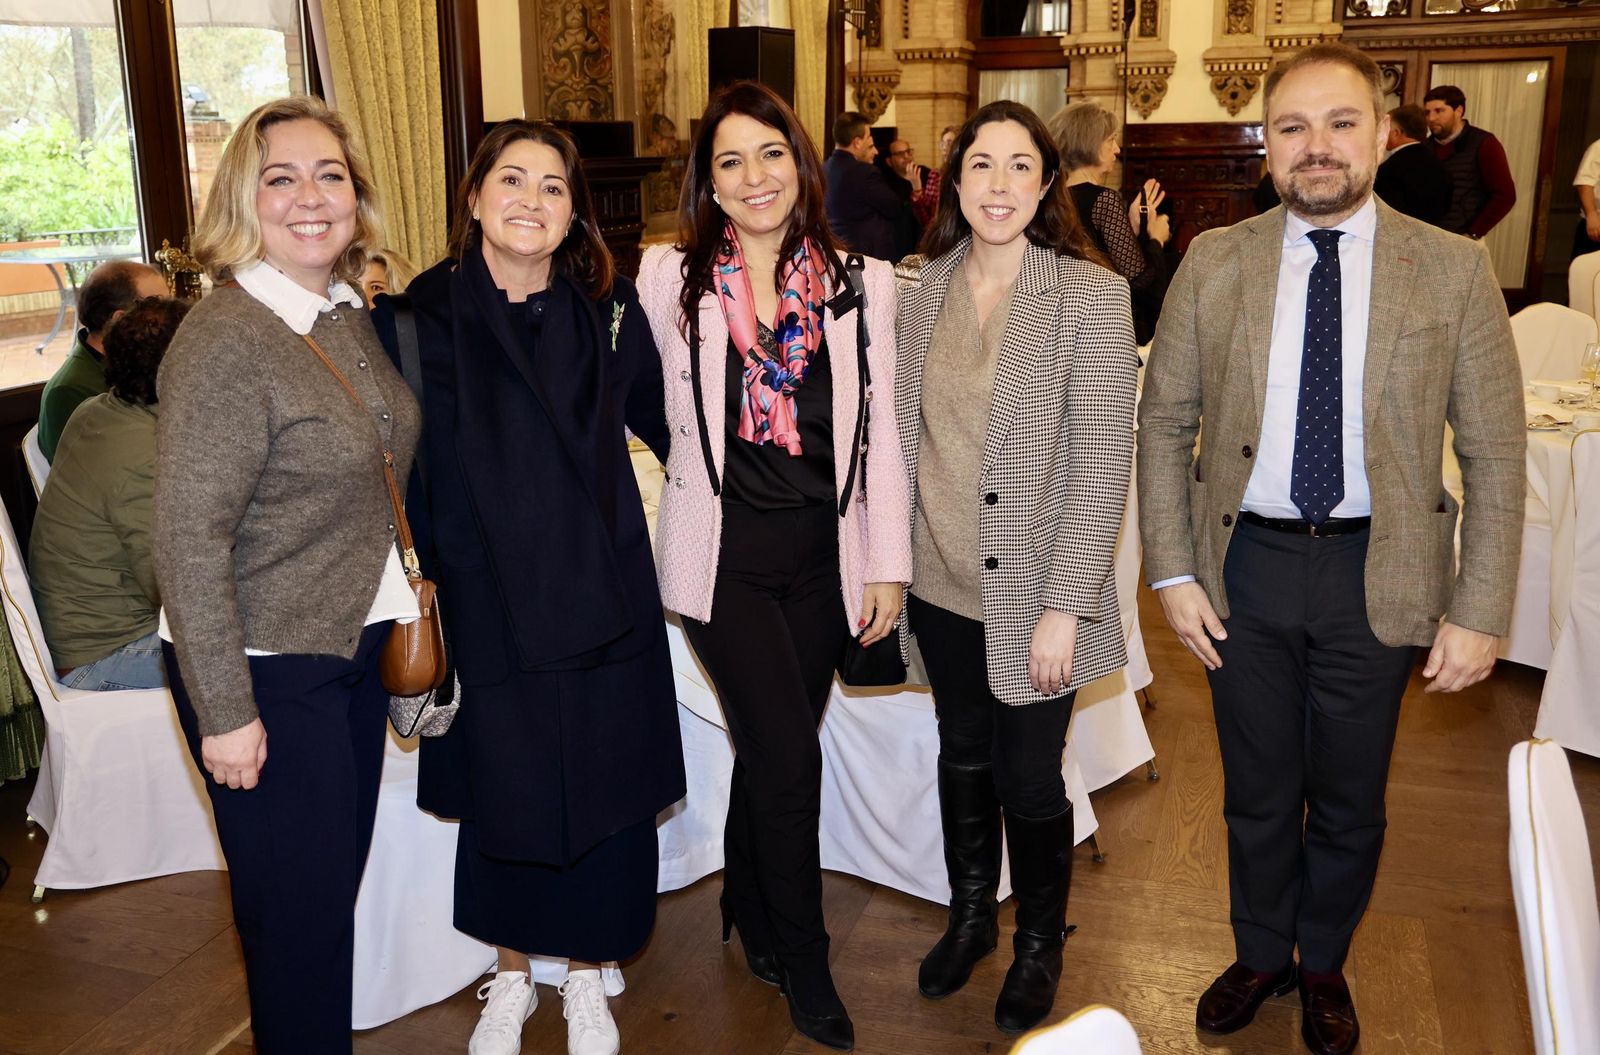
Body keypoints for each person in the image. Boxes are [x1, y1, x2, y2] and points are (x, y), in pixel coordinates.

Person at [1138, 44, 1524, 1055]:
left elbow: (1493, 448)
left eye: (1340, 122)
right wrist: (1172, 572)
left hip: (1378, 572)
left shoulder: (1450, 266)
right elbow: (1162, 419)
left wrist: (1480, 606)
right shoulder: (1213, 260)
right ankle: (1259, 949)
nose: (1317, 147)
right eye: (1293, 126)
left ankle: (1322, 959)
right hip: (1245, 571)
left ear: (1383, 133)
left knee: (1349, 797)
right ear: (1265, 146)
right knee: (1256, 789)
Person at [374, 120, 686, 1055]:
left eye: (553, 187)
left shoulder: (611, 307)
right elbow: (388, 460)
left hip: (603, 591)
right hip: (484, 599)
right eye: (511, 180)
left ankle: (587, 975)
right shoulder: (417, 318)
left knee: (603, 789)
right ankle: (512, 975)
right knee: (507, 799)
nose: (531, 201)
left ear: (573, 212)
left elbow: (674, 425)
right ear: (473, 198)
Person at [637, 80, 910, 1053]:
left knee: (773, 744)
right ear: (705, 182)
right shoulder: (667, 278)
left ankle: (746, 900)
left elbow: (878, 438)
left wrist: (887, 564)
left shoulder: (861, 280)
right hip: (725, 565)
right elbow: (633, 394)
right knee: (792, 758)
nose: (753, 178)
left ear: (801, 163)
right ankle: (806, 957)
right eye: (728, 161)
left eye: (769, 154)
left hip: (824, 561)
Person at [153, 95, 421, 1051]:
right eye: (282, 178)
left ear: (357, 197)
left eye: (330, 176)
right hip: (264, 669)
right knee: (299, 928)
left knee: (311, 919)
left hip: (338, 656)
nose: (311, 196)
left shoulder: (336, 313)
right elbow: (187, 537)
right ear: (244, 201)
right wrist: (225, 709)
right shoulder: (227, 337)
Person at [896, 100, 1138, 1036]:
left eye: (1018, 167)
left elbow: (1101, 459)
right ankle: (970, 917)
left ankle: (1040, 938)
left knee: (1029, 777)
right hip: (940, 582)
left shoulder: (1089, 294)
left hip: (1038, 594)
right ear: (955, 184)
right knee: (960, 752)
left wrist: (1067, 604)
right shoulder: (922, 286)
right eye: (981, 166)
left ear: (1047, 185)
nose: (999, 185)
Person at [29, 295, 187, 690]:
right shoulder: (145, 456)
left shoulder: (99, 409)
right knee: (277, 658)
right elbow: (173, 585)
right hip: (107, 655)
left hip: (87, 632)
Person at [1051, 100, 1170, 343]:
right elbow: (1140, 284)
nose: (1117, 149)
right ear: (1090, 143)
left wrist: (1131, 228)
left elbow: (1094, 253)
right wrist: (1157, 237)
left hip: (1064, 322)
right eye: (1110, 140)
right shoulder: (1104, 199)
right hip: (1101, 327)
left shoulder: (1054, 198)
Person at [36, 260, 167, 462]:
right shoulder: (69, 390)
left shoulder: (135, 364)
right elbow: (88, 475)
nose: (169, 319)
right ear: (120, 320)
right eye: (158, 309)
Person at [1424, 85, 1515, 239]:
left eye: (1439, 111)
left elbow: (1504, 195)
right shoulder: (1424, 148)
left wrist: (1473, 233)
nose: (1431, 118)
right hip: (1428, 237)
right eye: (1427, 112)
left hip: (1464, 236)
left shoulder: (1484, 143)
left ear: (1458, 111)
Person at [824, 110, 905, 261]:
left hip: (835, 254)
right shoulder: (865, 172)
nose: (870, 141)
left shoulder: (822, 169)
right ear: (857, 142)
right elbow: (894, 207)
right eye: (868, 137)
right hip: (866, 260)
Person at [1374, 104, 1451, 227]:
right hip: (1433, 235)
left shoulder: (1389, 170)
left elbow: (1385, 216)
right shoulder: (1439, 164)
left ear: (1396, 133)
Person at [1571, 136, 1600, 260]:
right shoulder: (1598, 147)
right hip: (1597, 226)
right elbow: (1585, 182)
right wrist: (1591, 214)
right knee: (1586, 276)